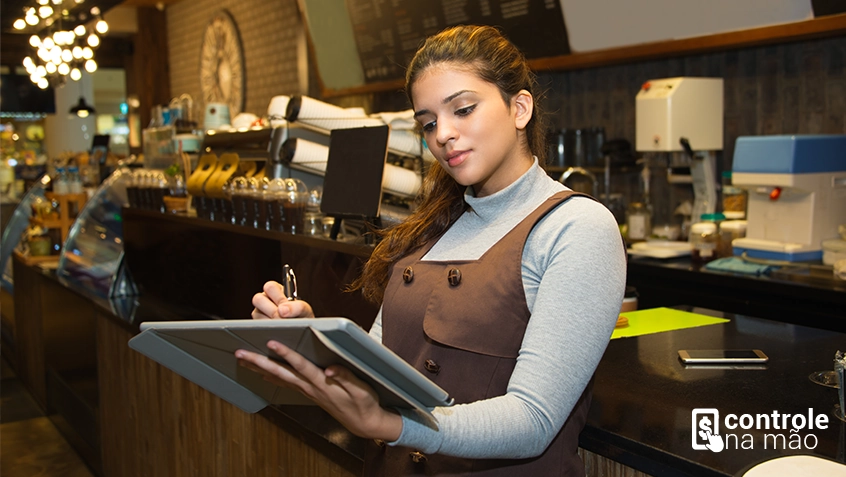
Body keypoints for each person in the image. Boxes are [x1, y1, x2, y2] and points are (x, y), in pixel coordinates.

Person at [237, 25, 626, 476]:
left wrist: (395, 423)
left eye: (463, 109)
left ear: (519, 108)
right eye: (428, 123)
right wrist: (312, 340)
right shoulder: (428, 227)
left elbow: (533, 420)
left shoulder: (575, 228)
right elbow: (381, 369)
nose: (443, 134)